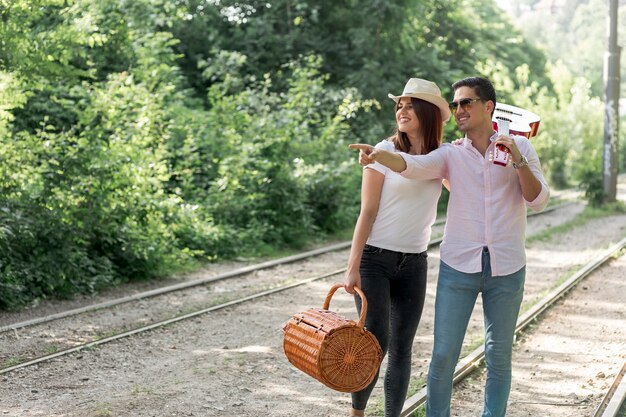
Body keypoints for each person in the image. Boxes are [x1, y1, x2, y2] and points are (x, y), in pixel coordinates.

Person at [349, 76, 549, 417]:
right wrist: (378, 155)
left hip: (507, 266)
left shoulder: (522, 149)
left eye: (466, 102)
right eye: (455, 104)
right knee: (442, 355)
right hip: (458, 266)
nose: (458, 110)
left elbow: (538, 199)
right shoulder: (451, 155)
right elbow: (410, 166)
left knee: (498, 354)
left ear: (488, 107)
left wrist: (517, 157)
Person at [343, 78, 451, 417]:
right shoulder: (381, 151)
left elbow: (463, 185)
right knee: (376, 342)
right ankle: (358, 412)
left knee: (403, 349)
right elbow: (368, 212)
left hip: (415, 262)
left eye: (409, 104)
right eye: (399, 105)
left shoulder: (442, 157)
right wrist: (352, 266)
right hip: (375, 259)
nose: (401, 110)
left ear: (427, 112)